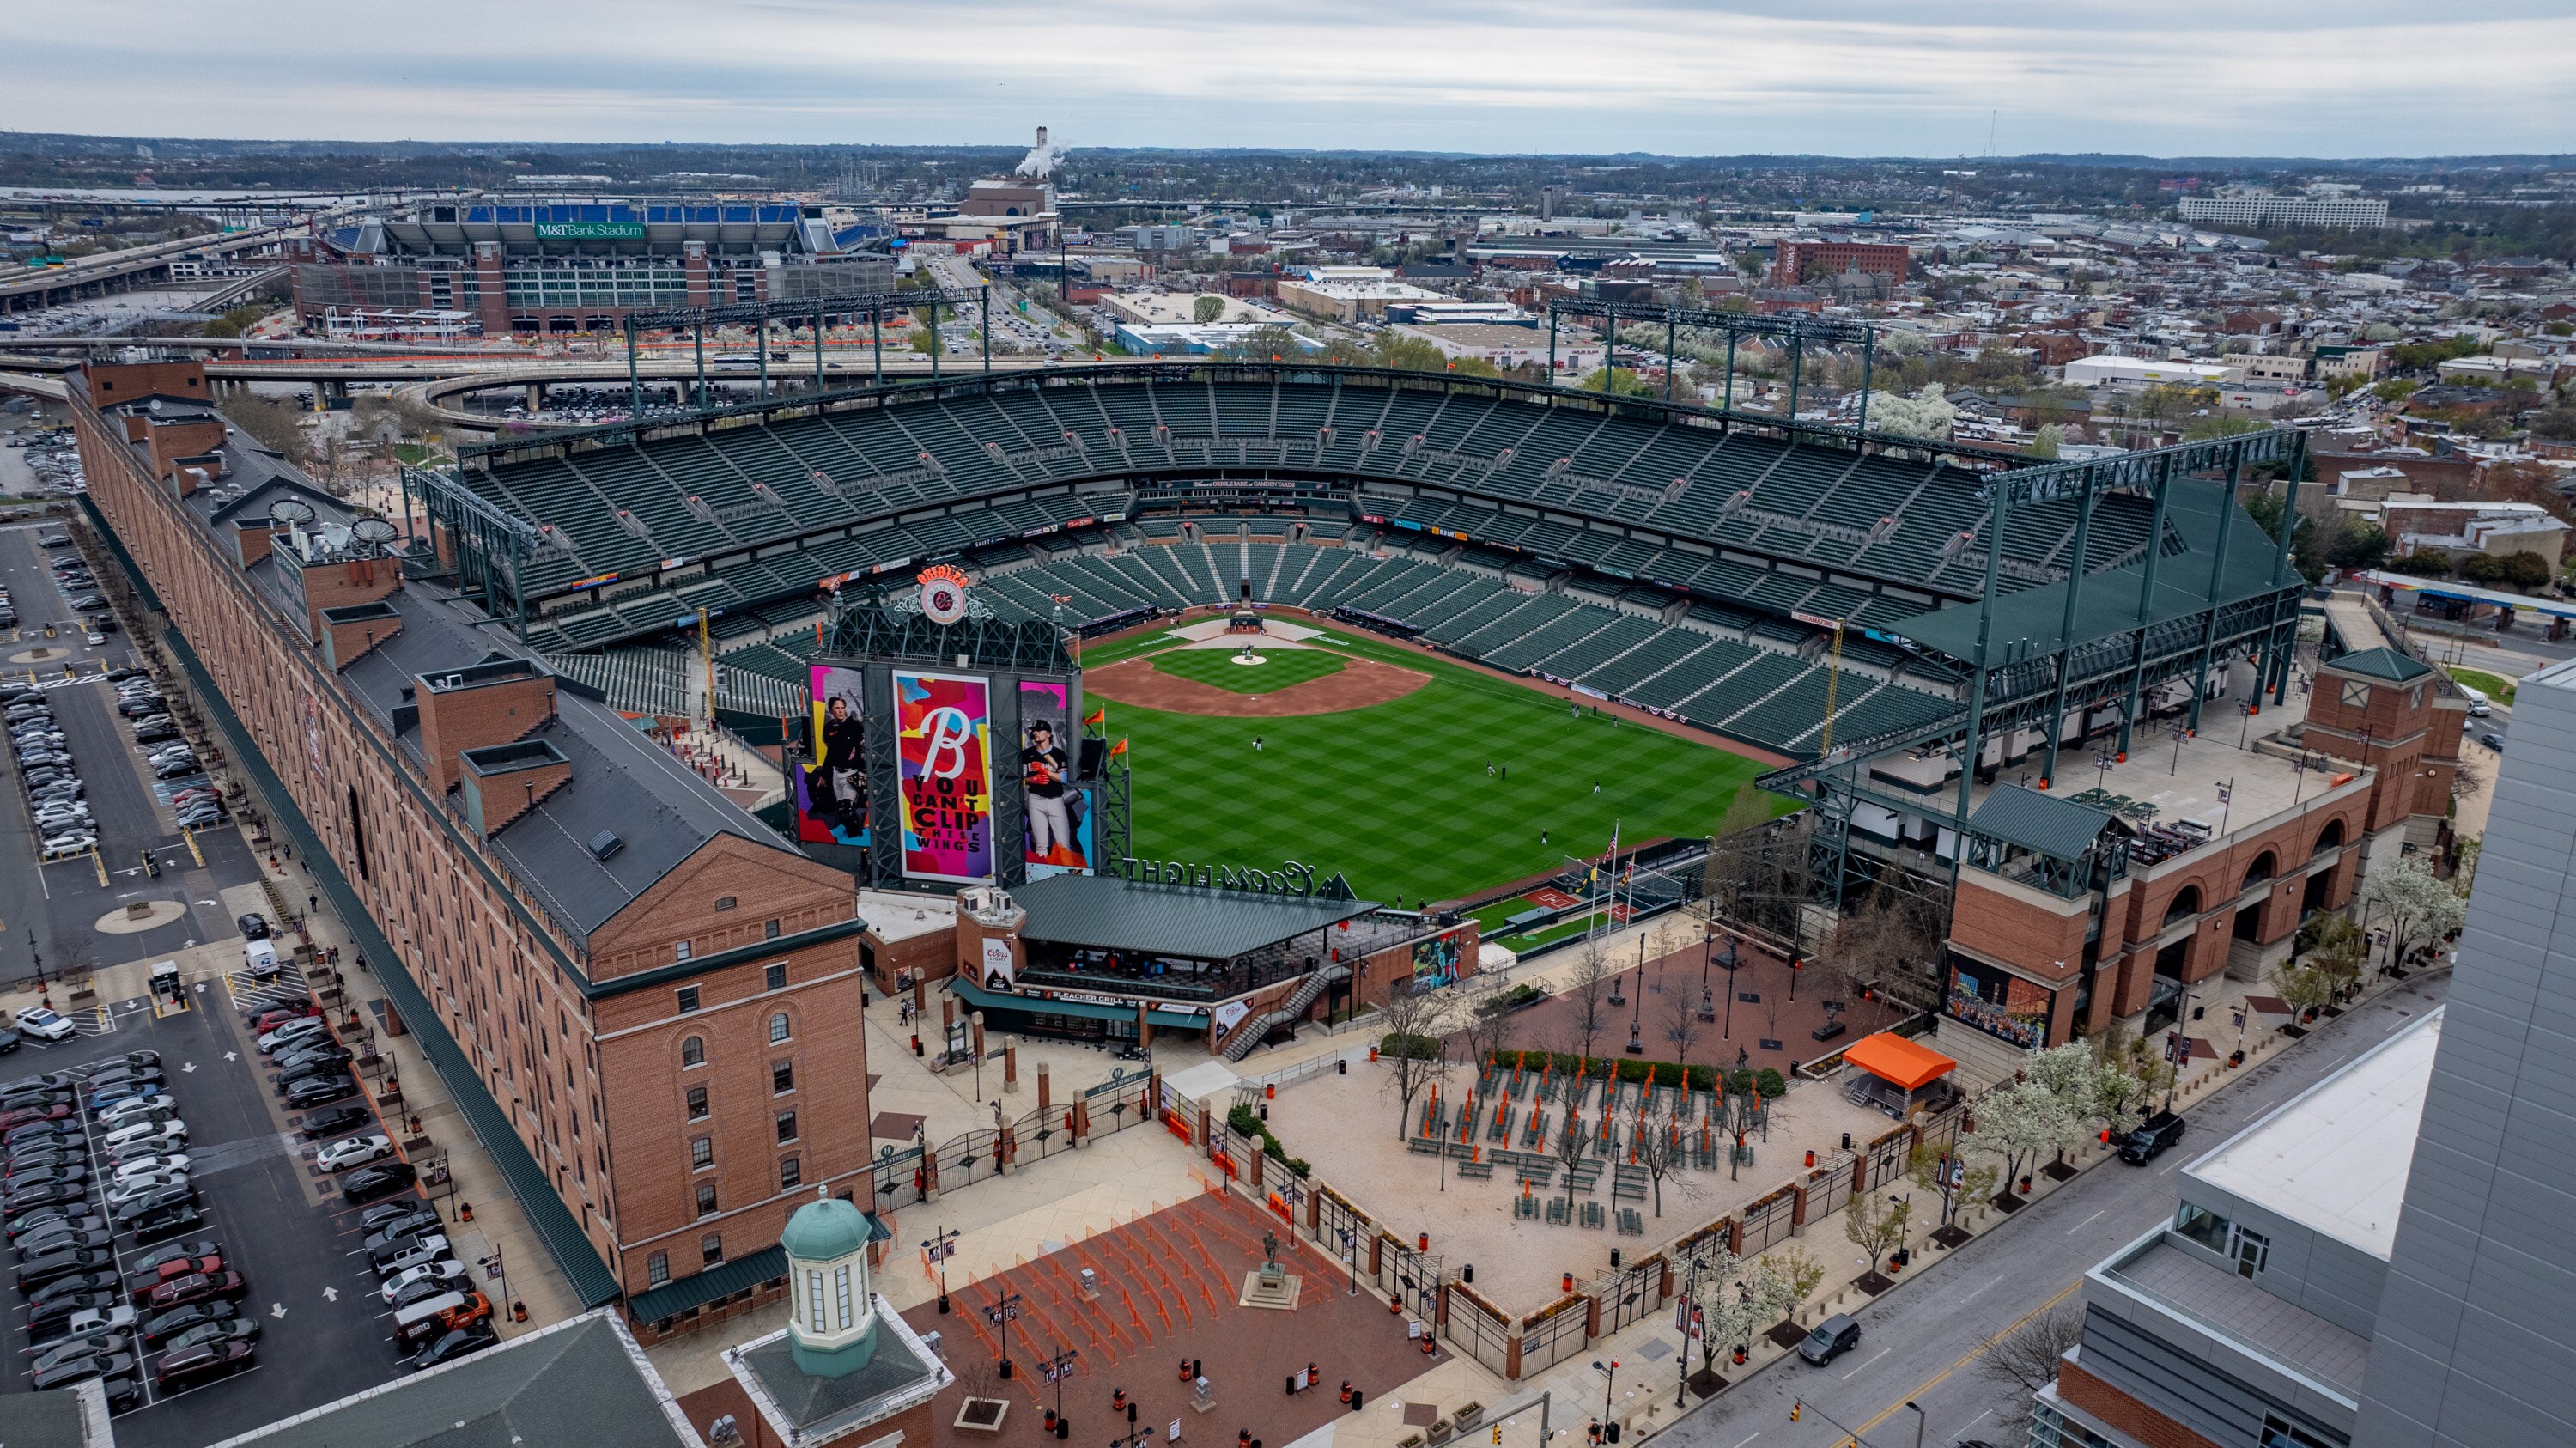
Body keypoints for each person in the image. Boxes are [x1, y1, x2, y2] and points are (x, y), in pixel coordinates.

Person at [1021, 719, 1080, 867]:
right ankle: (1042, 879)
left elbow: (1064, 779)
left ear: (1048, 734)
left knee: (1064, 844)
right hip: (1035, 800)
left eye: (1039, 730)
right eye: (1033, 730)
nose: (1035, 733)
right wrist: (1032, 779)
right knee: (1041, 843)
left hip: (1056, 800)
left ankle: (1070, 878)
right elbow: (1022, 777)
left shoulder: (1059, 754)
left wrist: (1045, 771)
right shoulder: (1027, 754)